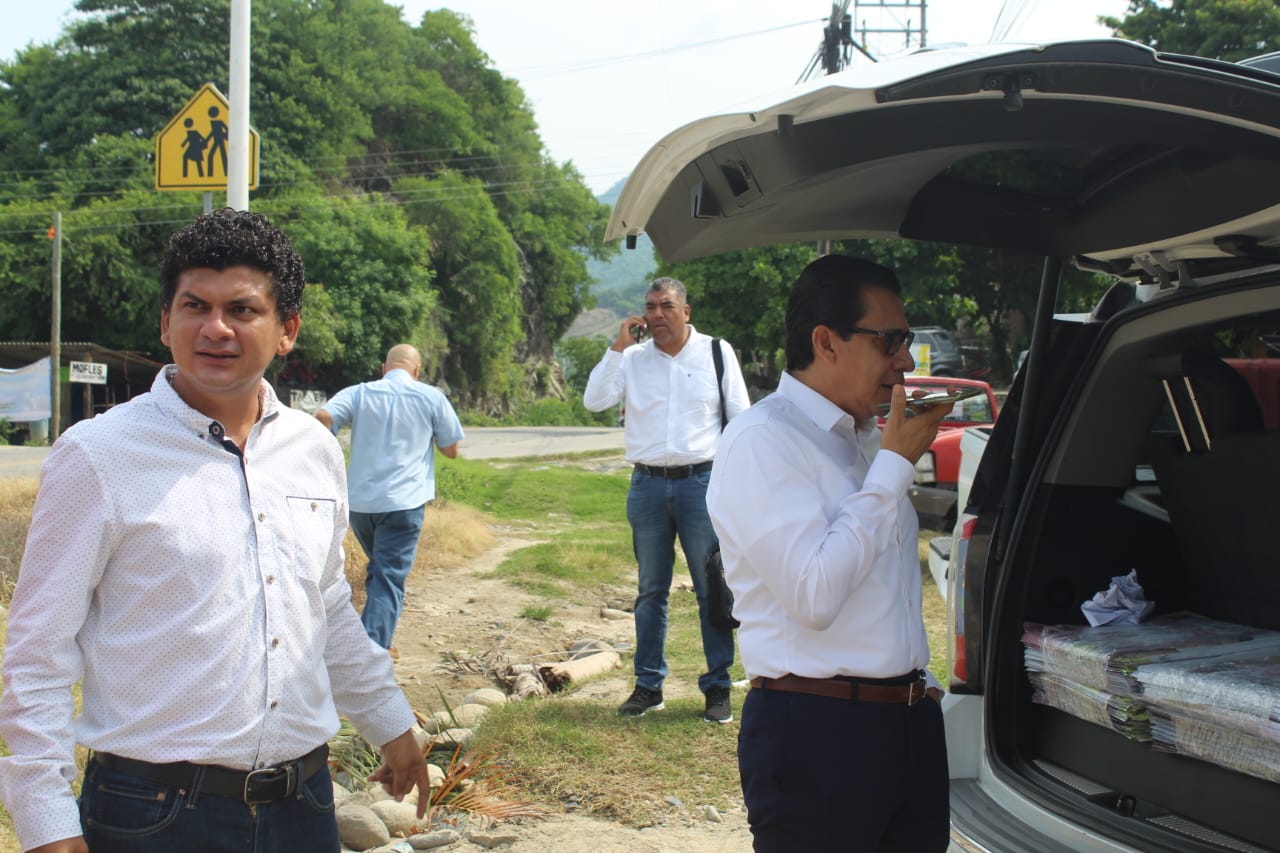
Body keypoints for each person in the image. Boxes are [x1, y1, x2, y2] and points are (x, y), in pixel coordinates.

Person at [0, 209, 430, 853]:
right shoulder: (97, 456)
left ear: (286, 331)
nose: (216, 328)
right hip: (154, 815)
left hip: (305, 806)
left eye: (243, 310)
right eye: (195, 306)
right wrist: (47, 824)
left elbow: (325, 607)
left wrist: (390, 723)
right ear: (165, 321)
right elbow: (37, 653)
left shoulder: (313, 451)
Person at [706, 255, 952, 851]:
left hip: (907, 722)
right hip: (818, 732)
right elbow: (814, 596)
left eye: (906, 340)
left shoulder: (866, 438)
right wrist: (894, 468)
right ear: (825, 342)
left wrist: (918, 685)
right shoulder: (763, 440)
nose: (905, 361)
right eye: (889, 341)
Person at [583, 276, 750, 724]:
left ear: (685, 311)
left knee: (711, 586)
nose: (657, 314)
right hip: (648, 485)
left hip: (702, 483)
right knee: (650, 590)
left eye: (667, 305)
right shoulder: (633, 358)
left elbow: (740, 419)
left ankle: (718, 685)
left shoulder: (716, 352)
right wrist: (617, 347)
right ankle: (648, 685)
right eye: (650, 306)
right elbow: (595, 400)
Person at [316, 345, 463, 653]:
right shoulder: (431, 397)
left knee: (380, 569)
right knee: (388, 576)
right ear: (417, 370)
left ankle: (376, 638)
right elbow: (451, 449)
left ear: (384, 368)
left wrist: (325, 453)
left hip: (361, 505)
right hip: (404, 504)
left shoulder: (359, 393)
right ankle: (371, 652)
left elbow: (324, 415)